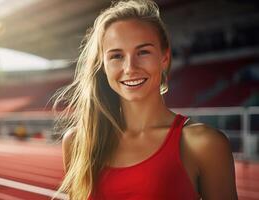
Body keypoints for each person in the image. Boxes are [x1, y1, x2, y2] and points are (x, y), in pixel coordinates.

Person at [52, 0, 238, 199]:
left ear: (164, 58)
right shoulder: (78, 142)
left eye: (143, 52)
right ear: (103, 65)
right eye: (116, 56)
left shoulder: (203, 144)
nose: (130, 67)